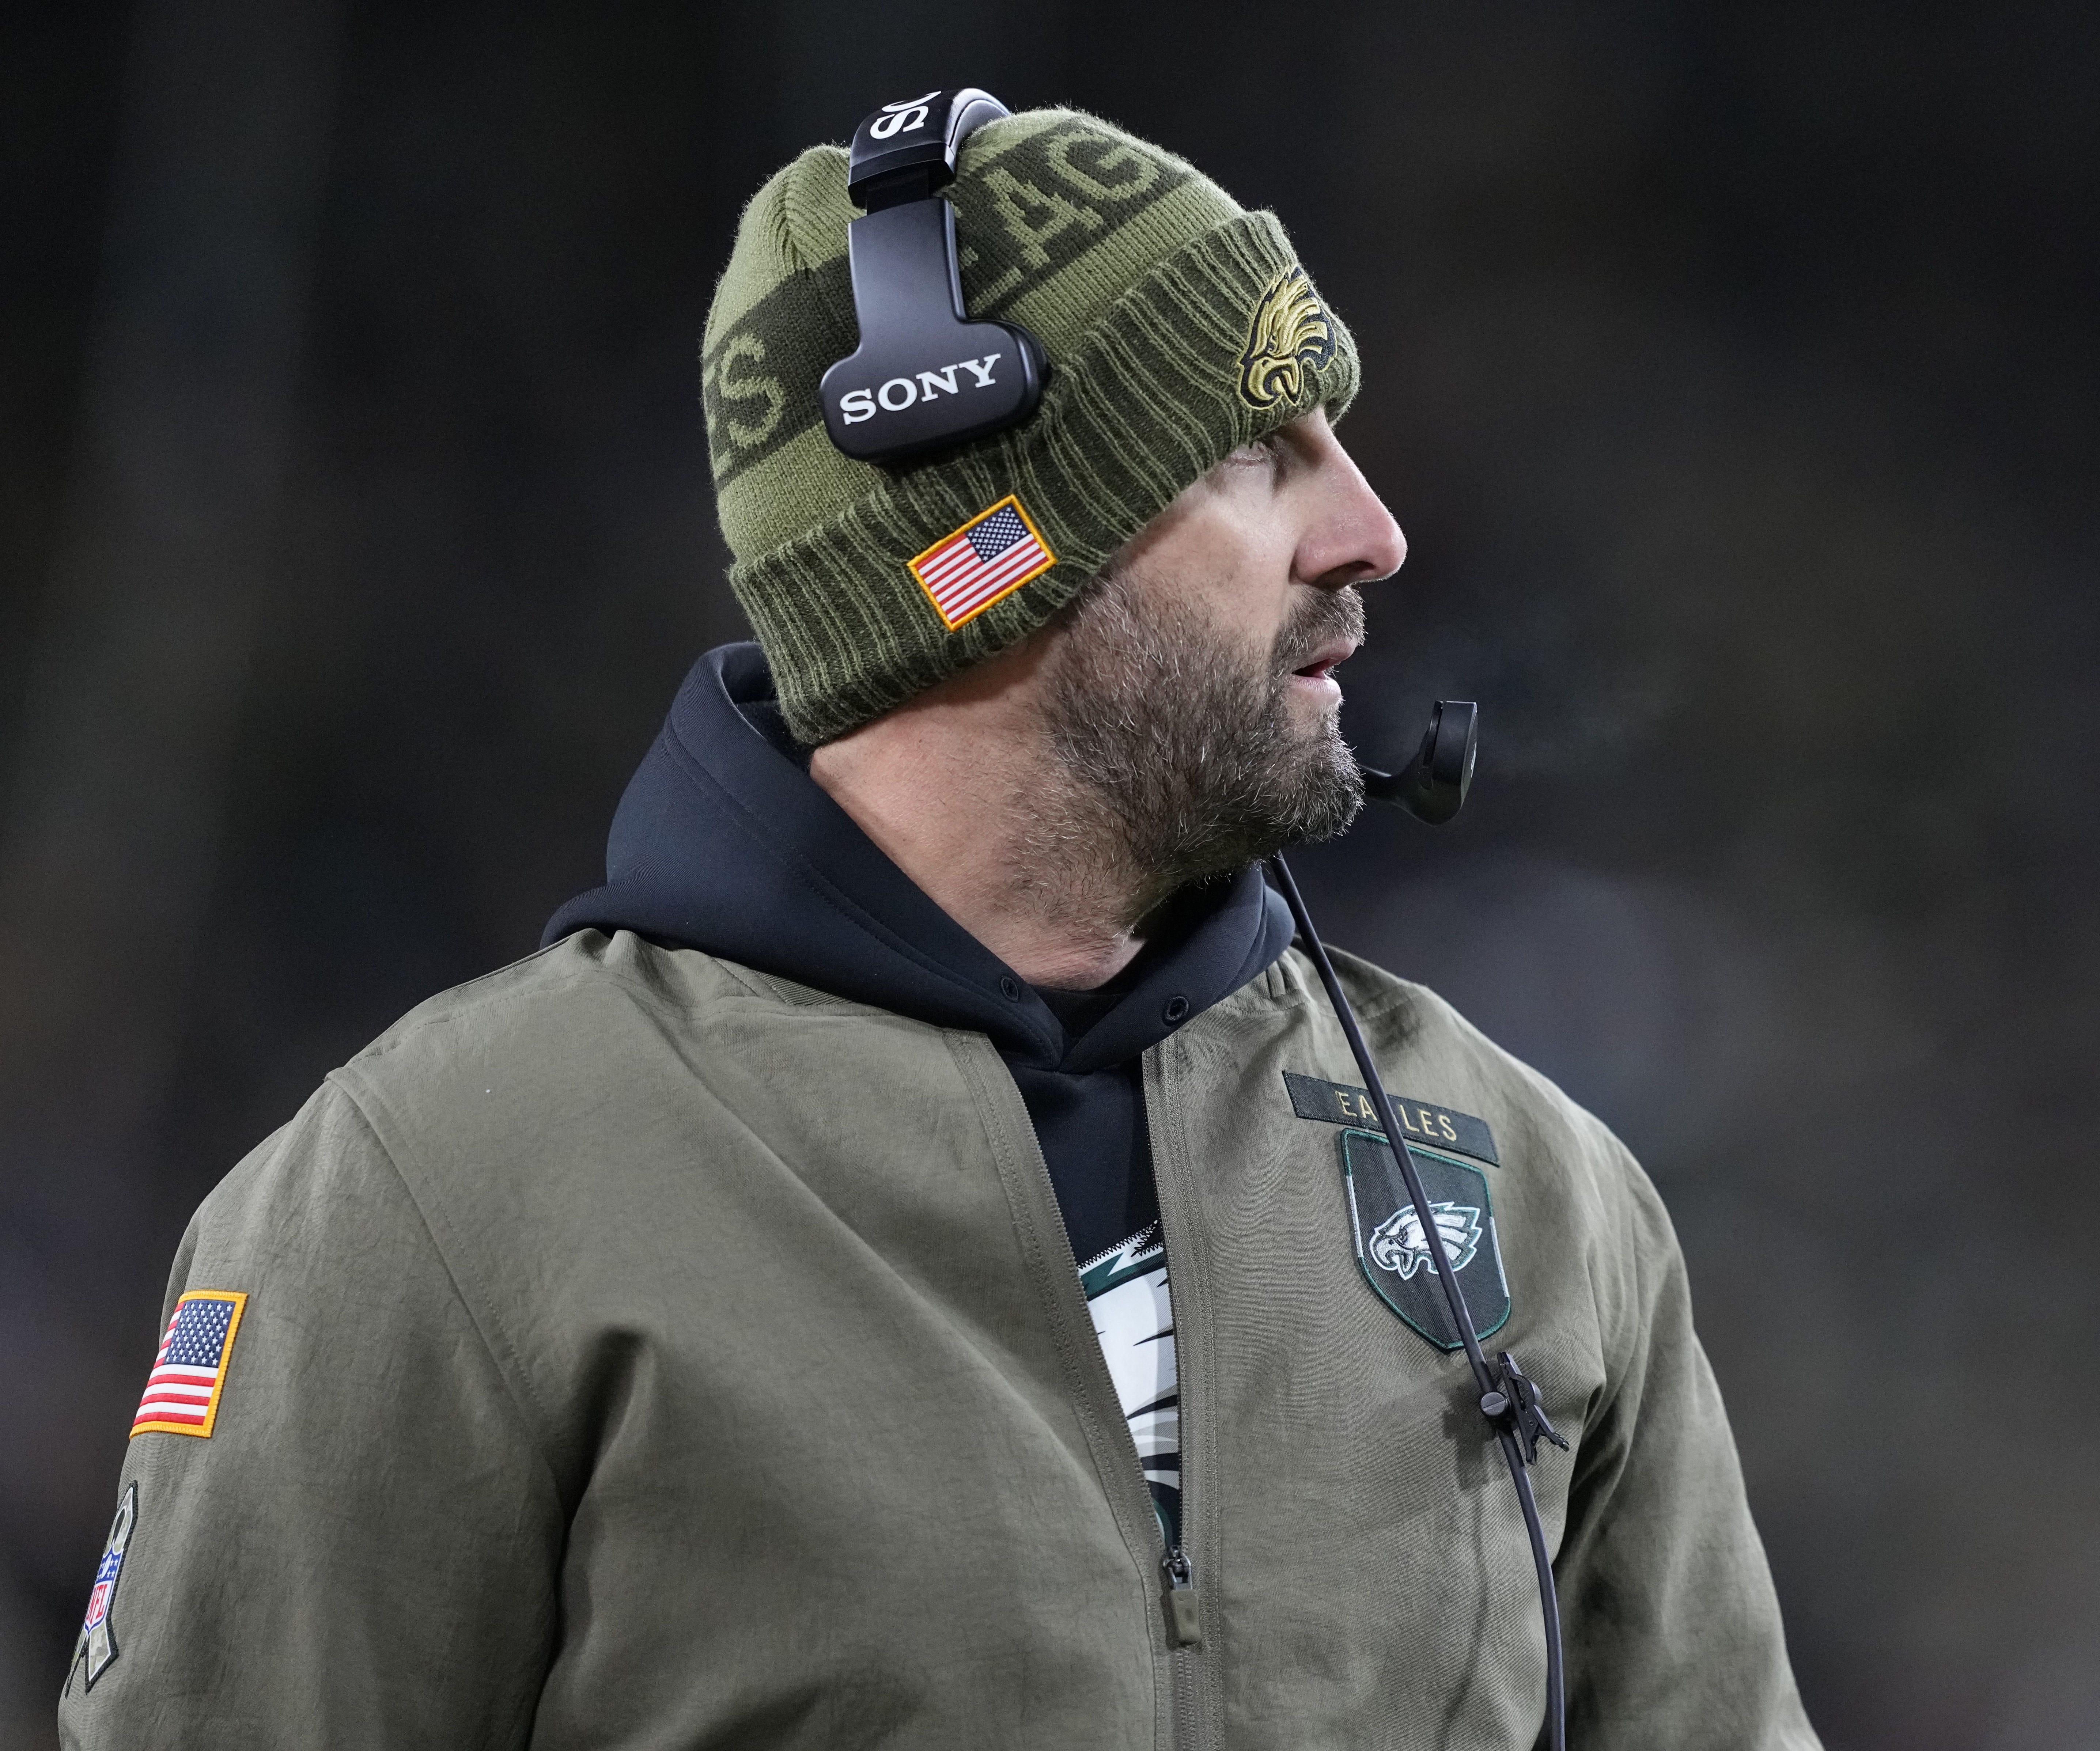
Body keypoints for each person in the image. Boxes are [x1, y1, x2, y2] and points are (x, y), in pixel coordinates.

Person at [60, 106, 1821, 1750]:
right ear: (991, 548)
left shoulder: (1538, 1186)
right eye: (1254, 447)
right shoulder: (438, 1191)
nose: (1372, 532)